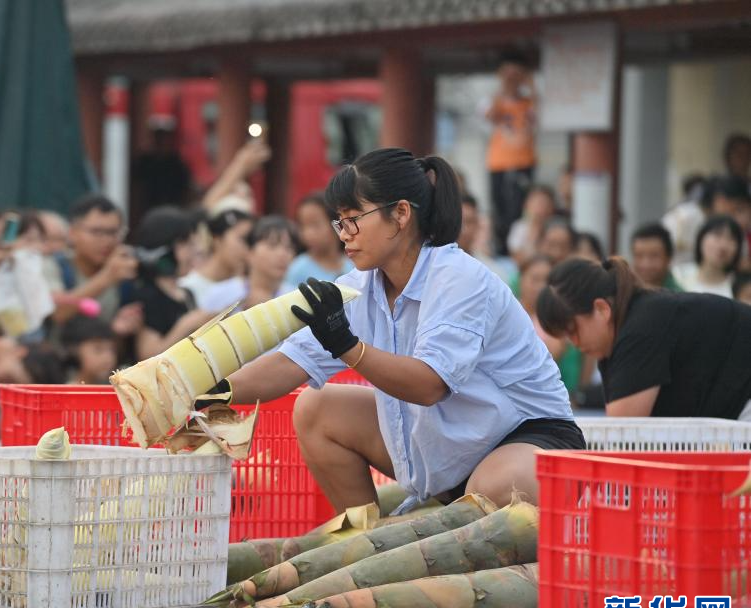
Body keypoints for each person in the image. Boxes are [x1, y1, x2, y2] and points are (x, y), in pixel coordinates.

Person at [206, 148, 580, 512]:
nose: (344, 234)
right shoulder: (359, 285)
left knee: (494, 487)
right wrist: (208, 393)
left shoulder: (458, 277)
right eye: (339, 221)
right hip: (452, 461)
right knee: (316, 407)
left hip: (529, 445)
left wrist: (348, 347)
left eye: (353, 218)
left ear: (400, 214)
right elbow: (290, 362)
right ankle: (360, 544)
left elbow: (429, 385)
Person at [538, 257, 751, 421]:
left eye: (573, 330)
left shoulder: (640, 327)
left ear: (601, 309)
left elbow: (621, 438)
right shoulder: (629, 323)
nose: (574, 343)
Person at [129, 206, 212, 360]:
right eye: (185, 244)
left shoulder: (187, 293)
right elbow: (147, 356)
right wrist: (186, 325)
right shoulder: (147, 295)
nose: (193, 251)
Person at [55, 195, 141, 334]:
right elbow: (57, 313)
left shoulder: (124, 278)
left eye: (113, 232)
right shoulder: (55, 266)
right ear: (72, 233)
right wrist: (108, 276)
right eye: (97, 232)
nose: (107, 240)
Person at [485, 51, 537, 256]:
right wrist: (504, 85)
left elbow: (538, 114)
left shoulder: (529, 102)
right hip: (498, 162)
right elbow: (490, 115)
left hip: (524, 161)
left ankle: (515, 248)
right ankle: (500, 248)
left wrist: (529, 82)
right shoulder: (495, 100)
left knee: (519, 208)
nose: (512, 79)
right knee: (499, 209)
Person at [202, 215, 297, 313]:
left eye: (289, 247)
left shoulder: (297, 298)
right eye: (272, 245)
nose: (282, 254)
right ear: (250, 251)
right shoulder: (220, 294)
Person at [178, 206, 253, 308]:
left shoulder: (250, 287)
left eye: (252, 241)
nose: (248, 248)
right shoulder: (188, 287)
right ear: (217, 239)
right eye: (243, 239)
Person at [285, 193, 353, 286]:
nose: (307, 233)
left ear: (336, 223)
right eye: (302, 225)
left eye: (315, 225)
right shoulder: (298, 269)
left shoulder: (353, 265)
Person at [674, 215, 743, 298]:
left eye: (731, 239)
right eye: (717, 235)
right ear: (701, 238)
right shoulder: (677, 276)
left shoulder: (741, 288)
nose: (723, 245)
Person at [506, 185, 556, 267]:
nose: (540, 208)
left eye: (545, 204)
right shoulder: (519, 227)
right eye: (536, 202)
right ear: (526, 205)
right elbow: (516, 258)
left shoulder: (554, 230)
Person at [61, 316, 118, 385]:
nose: (108, 358)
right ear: (75, 350)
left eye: (112, 350)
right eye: (98, 349)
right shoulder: (68, 392)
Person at [630, 223, 682, 291]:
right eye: (639, 256)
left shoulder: (680, 298)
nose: (645, 264)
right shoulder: (623, 294)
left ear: (668, 258)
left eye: (654, 256)